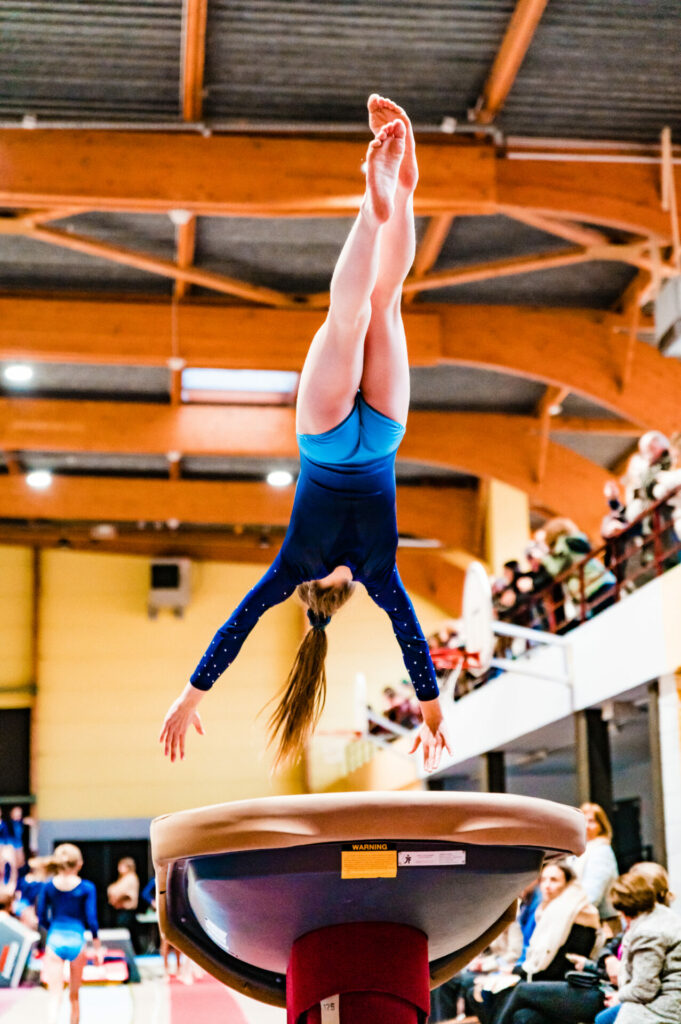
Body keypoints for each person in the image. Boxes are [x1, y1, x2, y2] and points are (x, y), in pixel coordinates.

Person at [160, 96, 450, 772]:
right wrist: (187, 699)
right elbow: (233, 630)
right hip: (322, 441)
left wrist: (434, 715)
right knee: (345, 316)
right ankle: (369, 210)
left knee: (385, 303)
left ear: (342, 598)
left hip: (379, 438)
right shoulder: (290, 566)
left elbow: (416, 650)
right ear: (309, 594)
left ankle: (400, 193)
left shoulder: (381, 575)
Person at [475, 860, 600, 1024]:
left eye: (554, 880)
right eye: (543, 880)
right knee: (523, 1016)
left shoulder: (581, 915)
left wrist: (518, 971)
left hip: (570, 983)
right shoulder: (546, 912)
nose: (547, 885)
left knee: (517, 991)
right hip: (546, 980)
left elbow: (563, 964)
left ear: (568, 884)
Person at [595, 866, 681, 1024]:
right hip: (659, 1002)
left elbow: (645, 988)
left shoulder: (649, 932)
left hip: (660, 1010)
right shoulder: (659, 917)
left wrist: (619, 997)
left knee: (603, 1020)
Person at [37, 843, 102, 1024]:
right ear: (79, 864)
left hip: (55, 939)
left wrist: (53, 929)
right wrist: (97, 947)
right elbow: (92, 920)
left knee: (54, 997)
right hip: (76, 940)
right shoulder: (87, 887)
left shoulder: (48, 886)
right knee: (74, 997)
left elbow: (41, 916)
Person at [576, 803, 620, 932]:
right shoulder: (576, 852)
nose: (586, 826)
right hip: (582, 919)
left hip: (601, 924)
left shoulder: (601, 851)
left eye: (591, 821)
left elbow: (592, 896)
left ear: (601, 826)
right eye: (582, 821)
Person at [107, 856, 140, 950]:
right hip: (120, 910)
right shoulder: (122, 879)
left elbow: (127, 895)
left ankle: (131, 951)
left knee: (126, 932)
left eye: (121, 866)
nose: (118, 869)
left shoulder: (131, 878)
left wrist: (117, 899)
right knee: (126, 932)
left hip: (127, 910)